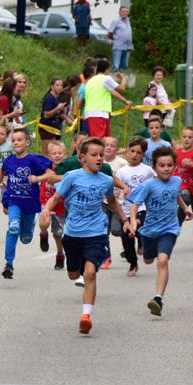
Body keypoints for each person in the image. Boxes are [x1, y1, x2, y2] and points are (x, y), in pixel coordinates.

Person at [41, 137, 126, 335]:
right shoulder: (71, 176)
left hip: (96, 232)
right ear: (82, 157)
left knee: (90, 273)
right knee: (73, 274)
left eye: (101, 155)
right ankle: (76, 269)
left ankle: (86, 316)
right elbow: (56, 197)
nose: (99, 159)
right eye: (94, 155)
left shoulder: (105, 180)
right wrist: (46, 210)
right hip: (73, 234)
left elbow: (112, 202)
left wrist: (125, 220)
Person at [128, 146, 192, 317]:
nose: (166, 169)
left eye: (170, 165)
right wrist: (133, 221)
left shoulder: (176, 181)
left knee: (162, 261)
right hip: (149, 231)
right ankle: (147, 253)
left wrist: (185, 208)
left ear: (174, 166)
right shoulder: (148, 185)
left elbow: (176, 195)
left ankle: (158, 298)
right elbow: (135, 205)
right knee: (148, 260)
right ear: (155, 167)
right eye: (162, 165)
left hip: (169, 229)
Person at [0, 129, 54, 279]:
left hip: (30, 202)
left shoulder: (34, 160)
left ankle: (30, 227)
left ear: (27, 142)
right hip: (13, 200)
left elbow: (50, 174)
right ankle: (8, 263)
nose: (16, 142)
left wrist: (37, 179)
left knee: (26, 239)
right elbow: (1, 173)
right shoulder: (9, 160)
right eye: (14, 140)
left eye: (19, 140)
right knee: (13, 227)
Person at [116, 138, 154, 275]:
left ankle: (142, 242)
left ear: (143, 155)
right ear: (127, 151)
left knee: (137, 225)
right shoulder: (121, 172)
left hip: (141, 207)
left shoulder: (148, 171)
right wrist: (118, 191)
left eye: (138, 152)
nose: (134, 155)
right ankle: (133, 263)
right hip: (125, 208)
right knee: (126, 237)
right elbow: (117, 191)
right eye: (132, 151)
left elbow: (154, 186)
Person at [38, 139, 68, 270]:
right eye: (54, 153)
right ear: (49, 156)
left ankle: (60, 254)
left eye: (60, 153)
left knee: (58, 234)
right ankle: (43, 234)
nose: (57, 155)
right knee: (44, 222)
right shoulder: (45, 168)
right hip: (45, 201)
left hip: (61, 204)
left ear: (65, 155)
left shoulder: (67, 169)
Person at [83, 60, 131, 139]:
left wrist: (125, 101)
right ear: (106, 69)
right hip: (98, 113)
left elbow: (112, 91)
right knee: (99, 140)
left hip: (93, 113)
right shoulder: (105, 78)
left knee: (105, 140)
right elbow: (121, 89)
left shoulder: (91, 80)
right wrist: (123, 79)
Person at [39, 78, 68, 155]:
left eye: (61, 85)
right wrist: (57, 108)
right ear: (52, 86)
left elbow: (60, 113)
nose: (60, 87)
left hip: (55, 128)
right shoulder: (49, 98)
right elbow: (46, 114)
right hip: (47, 128)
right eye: (57, 85)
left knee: (54, 152)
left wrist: (69, 121)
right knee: (47, 153)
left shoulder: (57, 98)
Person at [107, 6, 133, 72]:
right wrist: (116, 39)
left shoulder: (128, 21)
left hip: (128, 46)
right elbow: (109, 33)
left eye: (126, 12)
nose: (125, 13)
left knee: (124, 65)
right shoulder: (116, 21)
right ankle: (114, 78)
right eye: (123, 12)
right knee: (116, 64)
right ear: (119, 13)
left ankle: (122, 78)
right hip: (118, 46)